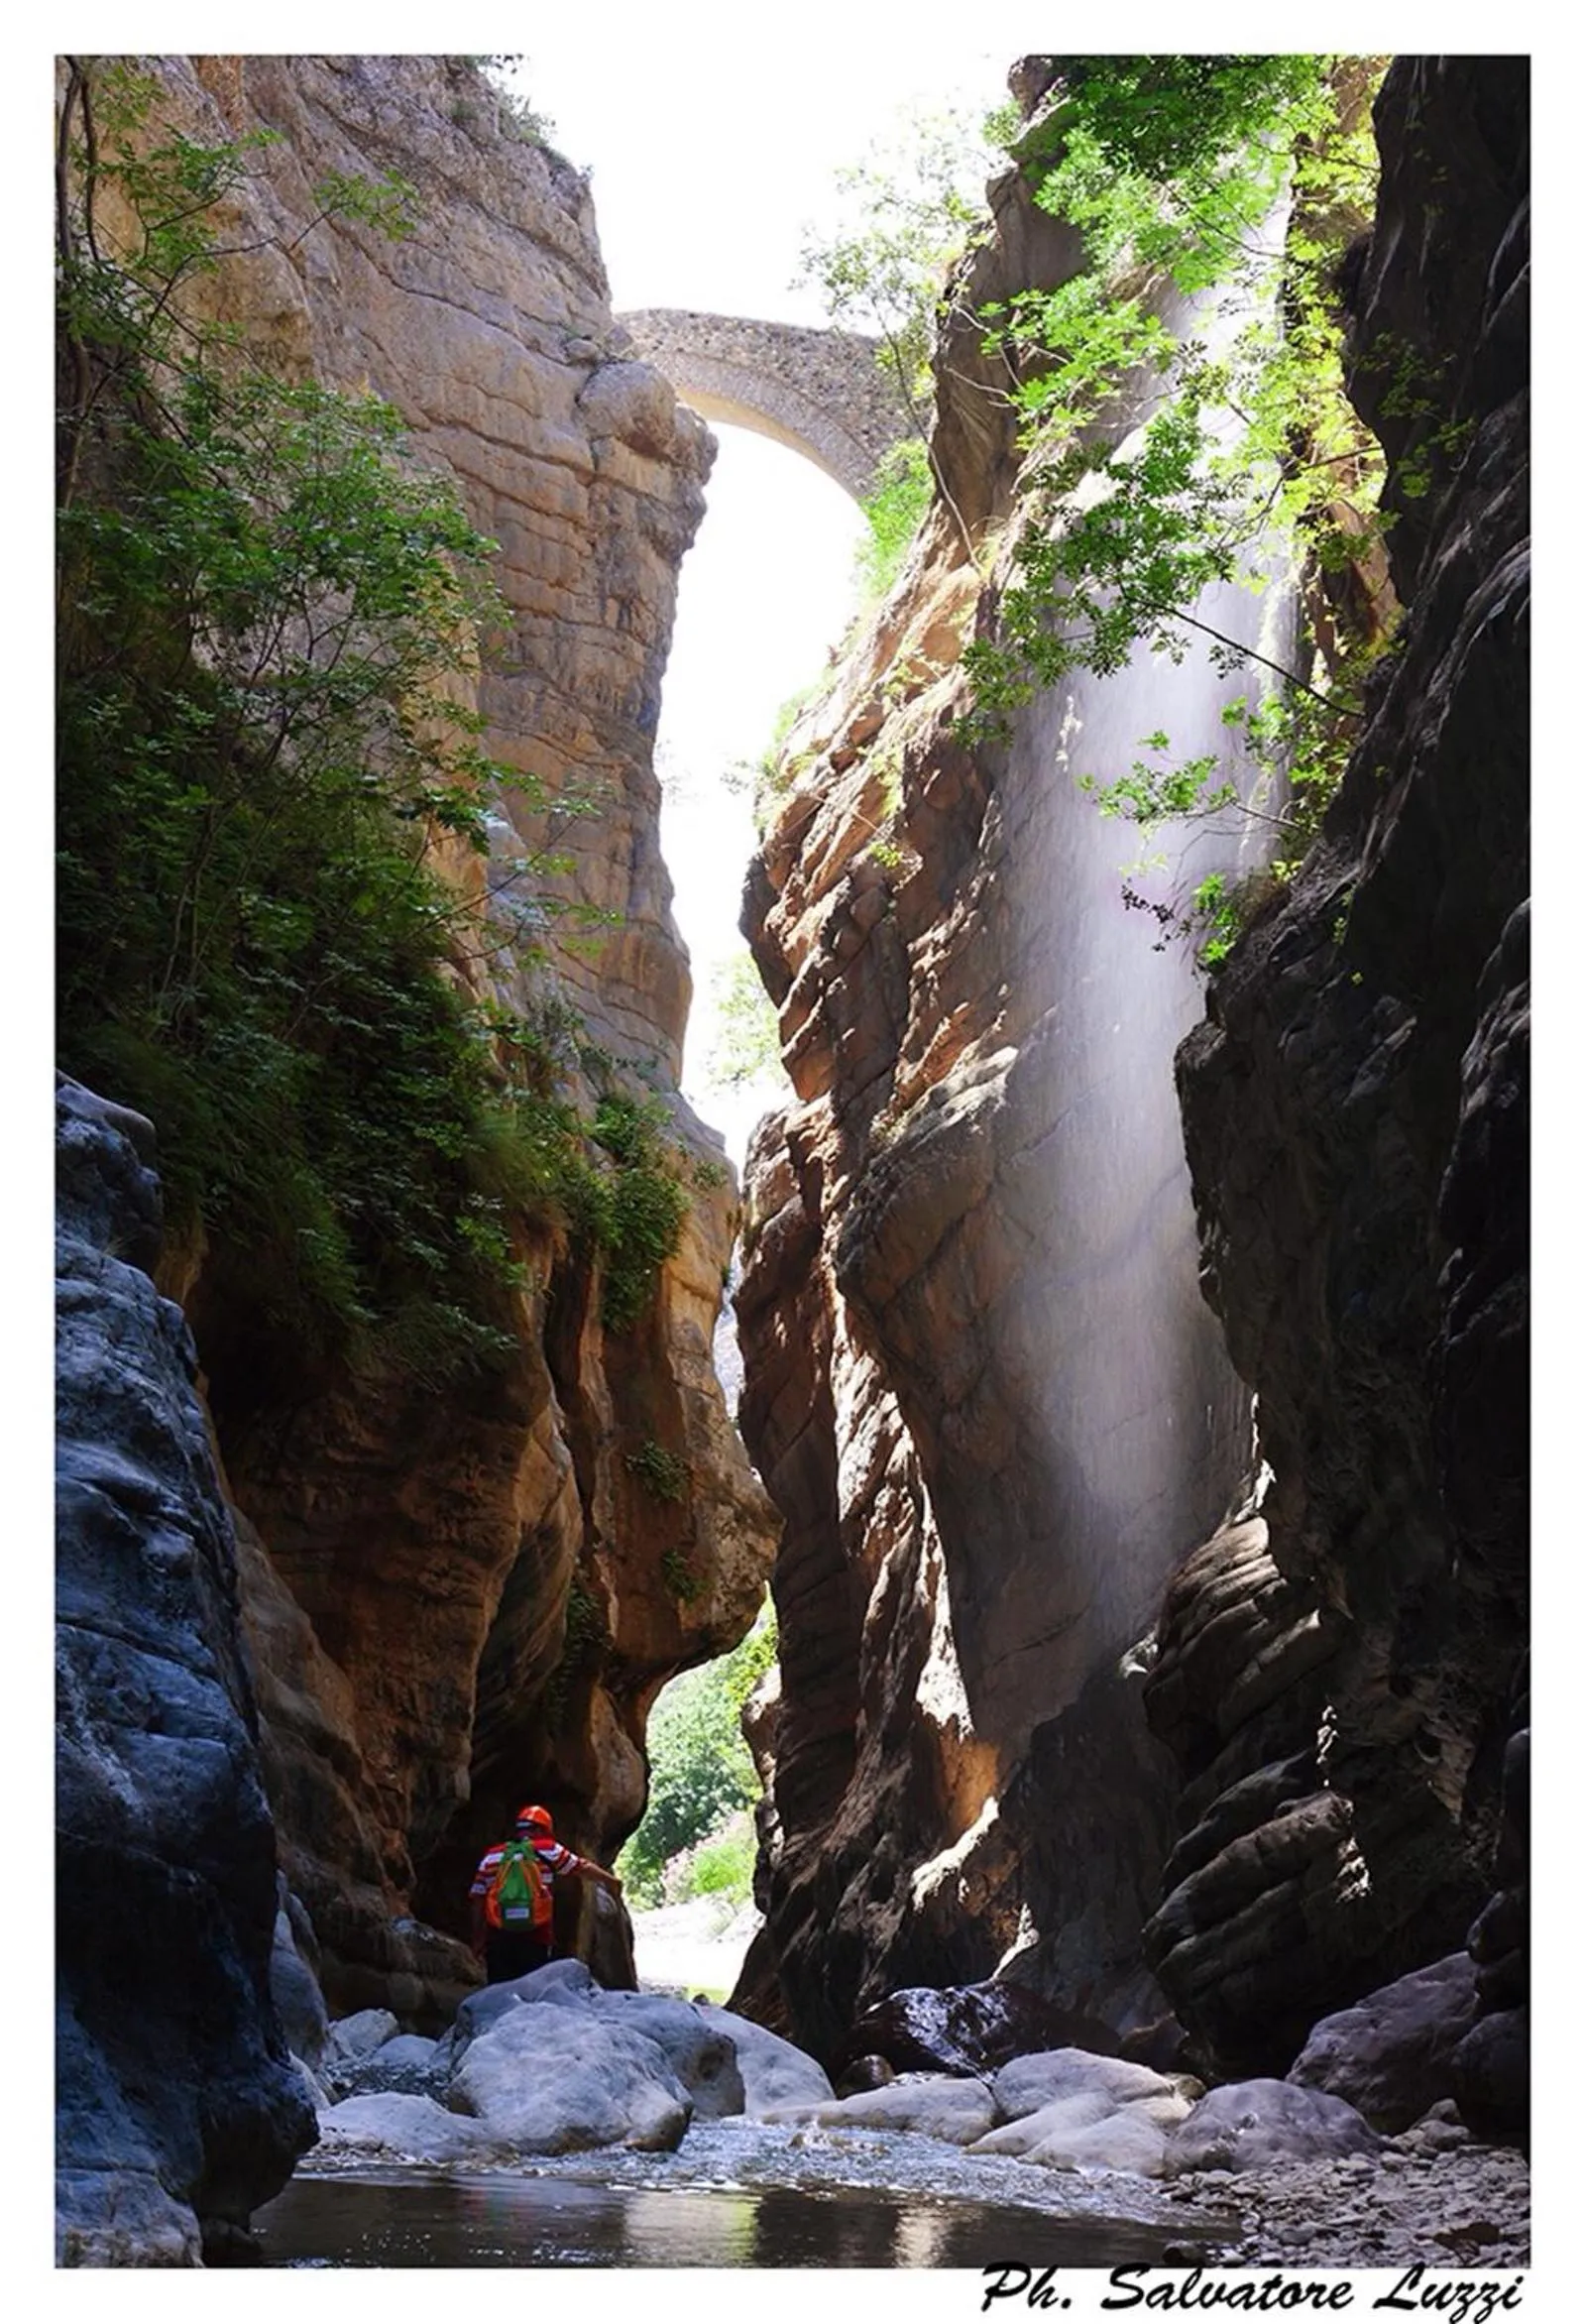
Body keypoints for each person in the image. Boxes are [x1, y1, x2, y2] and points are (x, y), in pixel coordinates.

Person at [469, 1802, 623, 1984]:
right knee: (534, 1989)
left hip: (498, 1936)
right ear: (543, 1830)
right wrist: (611, 1881)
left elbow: (477, 1899)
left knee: (499, 1988)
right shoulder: (549, 1850)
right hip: (536, 1935)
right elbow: (582, 1867)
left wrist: (477, 1940)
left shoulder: (492, 1856)